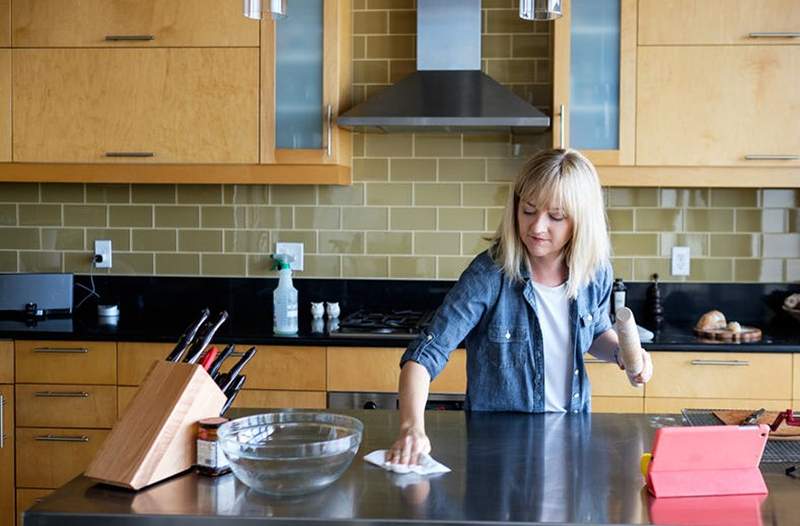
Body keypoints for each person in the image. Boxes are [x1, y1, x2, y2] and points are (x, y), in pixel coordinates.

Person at [386, 148, 653, 466]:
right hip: (500, 453)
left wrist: (622, 353)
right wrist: (411, 427)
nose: (537, 227)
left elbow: (593, 331)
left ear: (581, 222)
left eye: (555, 216)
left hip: (571, 442)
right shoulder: (488, 275)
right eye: (528, 210)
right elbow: (424, 356)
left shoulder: (594, 273)